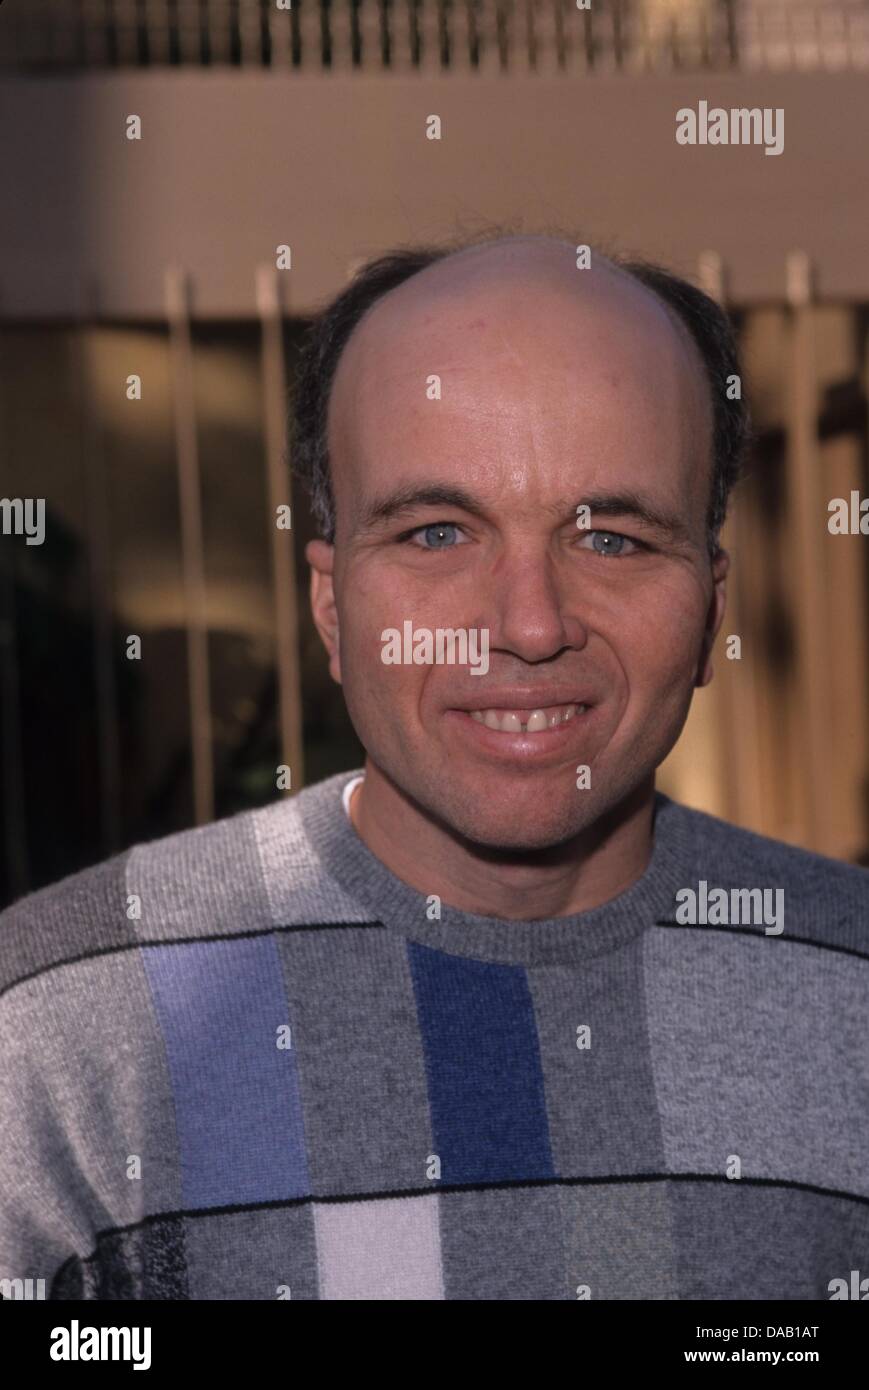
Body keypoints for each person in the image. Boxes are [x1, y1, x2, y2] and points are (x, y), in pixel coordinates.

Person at [1, 232, 867, 1301]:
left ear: (710, 608)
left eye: (610, 540)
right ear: (330, 606)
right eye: (436, 533)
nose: (528, 624)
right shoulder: (60, 1026)